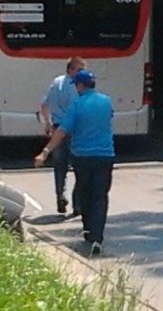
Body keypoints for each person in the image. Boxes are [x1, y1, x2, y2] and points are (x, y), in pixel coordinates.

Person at [34, 69, 115, 256]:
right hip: (105, 155)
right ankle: (98, 237)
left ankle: (88, 233)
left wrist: (45, 152)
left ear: (80, 85)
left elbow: (61, 131)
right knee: (100, 196)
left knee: (85, 193)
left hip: (82, 156)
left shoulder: (77, 105)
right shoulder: (106, 101)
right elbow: (109, 118)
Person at [39, 56, 85, 215]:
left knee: (60, 166)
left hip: (58, 128)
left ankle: (60, 195)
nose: (81, 73)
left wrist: (47, 123)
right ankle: (77, 204)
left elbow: (44, 105)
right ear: (71, 69)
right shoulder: (76, 87)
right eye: (79, 69)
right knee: (80, 166)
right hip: (75, 129)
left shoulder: (56, 82)